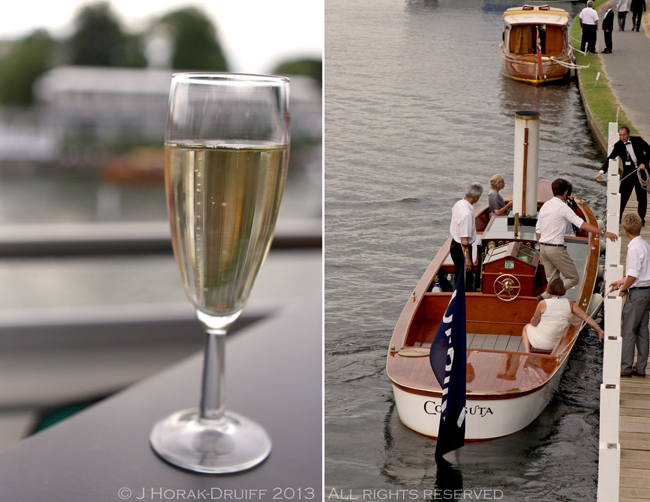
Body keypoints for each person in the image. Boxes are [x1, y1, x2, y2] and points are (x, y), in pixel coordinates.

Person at [536, 178, 618, 299]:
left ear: (553, 191)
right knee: (573, 278)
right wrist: (603, 232)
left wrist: (540, 251)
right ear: (566, 192)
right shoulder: (563, 207)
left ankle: (548, 300)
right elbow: (582, 224)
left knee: (553, 280)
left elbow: (538, 231)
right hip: (555, 249)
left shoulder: (545, 206)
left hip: (543, 247)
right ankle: (547, 295)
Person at [610, 214, 650, 377]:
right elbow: (642, 272)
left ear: (625, 230)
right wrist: (622, 280)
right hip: (647, 292)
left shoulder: (633, 248)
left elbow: (633, 275)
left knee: (628, 330)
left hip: (637, 294)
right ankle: (640, 367)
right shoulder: (645, 245)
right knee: (642, 331)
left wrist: (624, 288)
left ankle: (625, 367)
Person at [522, 278, 605, 353]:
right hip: (557, 344)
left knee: (526, 328)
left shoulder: (543, 303)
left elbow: (534, 323)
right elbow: (586, 317)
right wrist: (599, 331)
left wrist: (532, 321)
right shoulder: (569, 303)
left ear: (549, 289)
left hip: (542, 343)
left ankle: (527, 353)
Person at [595, 126, 650, 226]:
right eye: (620, 135)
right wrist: (601, 172)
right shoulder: (618, 145)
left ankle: (641, 219)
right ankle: (618, 218)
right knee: (623, 196)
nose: (622, 137)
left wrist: (644, 163)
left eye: (624, 135)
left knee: (641, 197)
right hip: (628, 174)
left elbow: (649, 150)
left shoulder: (637, 140)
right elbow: (609, 158)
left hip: (640, 172)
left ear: (628, 134)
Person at [449, 183, 483, 293]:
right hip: (461, 249)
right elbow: (464, 240)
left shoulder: (459, 204)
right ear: (477, 197)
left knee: (459, 275)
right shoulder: (467, 213)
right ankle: (463, 299)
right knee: (465, 278)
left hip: (454, 244)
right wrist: (468, 259)